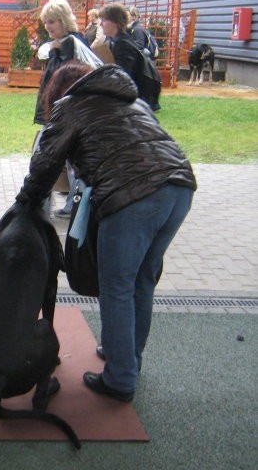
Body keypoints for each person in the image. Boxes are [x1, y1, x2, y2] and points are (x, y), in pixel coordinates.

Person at [16, 61, 196, 402]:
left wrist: (24, 203)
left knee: (117, 287)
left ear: (57, 92)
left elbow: (45, 163)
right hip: (180, 187)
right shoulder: (133, 100)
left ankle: (120, 378)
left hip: (132, 197)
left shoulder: (70, 105)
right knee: (142, 278)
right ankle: (128, 359)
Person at [34, 0, 100, 218]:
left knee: (61, 160)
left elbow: (60, 76)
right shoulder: (72, 41)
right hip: (67, 111)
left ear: (63, 20)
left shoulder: (68, 43)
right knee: (72, 162)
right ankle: (75, 202)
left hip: (64, 113)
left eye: (51, 21)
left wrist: (54, 52)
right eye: (46, 23)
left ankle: (71, 204)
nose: (48, 27)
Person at [99, 3, 160, 111]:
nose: (100, 24)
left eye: (104, 20)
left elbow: (123, 76)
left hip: (136, 99)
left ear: (116, 22)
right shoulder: (119, 40)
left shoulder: (123, 44)